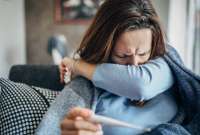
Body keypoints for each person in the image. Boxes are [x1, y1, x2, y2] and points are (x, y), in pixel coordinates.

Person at [36, 0, 200, 135]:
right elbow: (52, 128)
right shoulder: (84, 88)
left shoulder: (164, 63)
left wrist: (77, 65)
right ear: (105, 50)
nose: (135, 64)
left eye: (143, 53)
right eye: (123, 56)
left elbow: (140, 84)